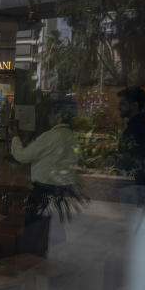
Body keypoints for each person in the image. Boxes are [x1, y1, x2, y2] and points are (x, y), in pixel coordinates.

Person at [10, 101, 85, 256]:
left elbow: (23, 156)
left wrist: (15, 139)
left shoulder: (50, 137)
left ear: (57, 115)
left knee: (33, 229)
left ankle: (28, 260)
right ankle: (53, 259)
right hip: (63, 191)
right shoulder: (73, 138)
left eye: (51, 114)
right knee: (55, 228)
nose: (49, 117)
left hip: (43, 191)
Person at [116, 86, 145, 204]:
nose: (119, 107)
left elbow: (137, 160)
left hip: (135, 187)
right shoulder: (141, 126)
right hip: (135, 185)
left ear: (134, 105)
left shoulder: (139, 128)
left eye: (123, 104)